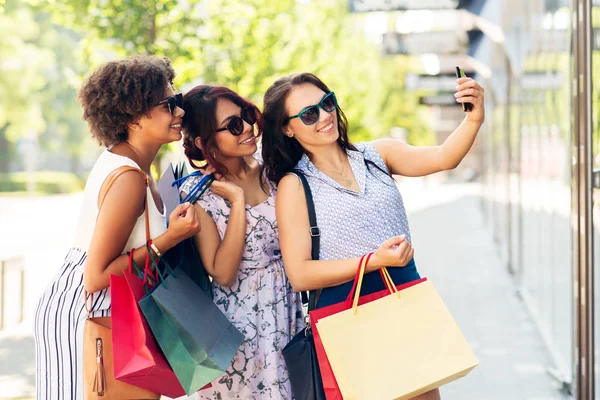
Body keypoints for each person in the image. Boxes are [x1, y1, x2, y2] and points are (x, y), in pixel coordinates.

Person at [261, 72, 485, 400]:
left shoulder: (377, 154)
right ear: (287, 128)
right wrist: (372, 261)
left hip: (403, 296)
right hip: (349, 316)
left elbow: (443, 157)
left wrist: (474, 117)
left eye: (327, 103)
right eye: (309, 114)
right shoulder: (295, 186)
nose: (324, 116)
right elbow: (300, 273)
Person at [34, 55, 201, 399]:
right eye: (169, 104)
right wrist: (168, 239)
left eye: (178, 100)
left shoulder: (135, 164)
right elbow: (96, 276)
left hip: (110, 305)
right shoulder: (128, 177)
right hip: (90, 310)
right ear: (135, 117)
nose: (180, 112)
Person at [179, 85, 303, 399]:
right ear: (203, 143)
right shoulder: (198, 194)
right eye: (233, 125)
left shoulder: (273, 169)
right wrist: (236, 201)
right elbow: (222, 272)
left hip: (289, 315)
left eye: (246, 117)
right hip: (242, 333)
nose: (247, 128)